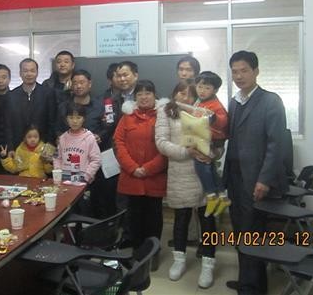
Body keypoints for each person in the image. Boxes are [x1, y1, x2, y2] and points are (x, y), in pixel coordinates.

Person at [224, 50, 288, 295]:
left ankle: (252, 288)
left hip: (256, 180)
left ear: (256, 71)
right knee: (241, 231)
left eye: (244, 70)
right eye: (235, 72)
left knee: (252, 234)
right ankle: (247, 281)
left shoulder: (271, 101)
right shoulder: (234, 101)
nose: (239, 76)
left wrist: (264, 179)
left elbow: (276, 145)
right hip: (235, 178)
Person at [155, 81, 217, 287]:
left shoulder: (204, 110)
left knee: (208, 219)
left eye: (190, 94)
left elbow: (219, 140)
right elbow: (161, 142)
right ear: (174, 94)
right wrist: (185, 152)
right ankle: (179, 260)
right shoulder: (166, 112)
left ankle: (208, 263)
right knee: (181, 219)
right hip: (180, 172)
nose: (185, 97)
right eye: (181, 93)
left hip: (204, 172)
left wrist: (212, 154)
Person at [114, 80, 167, 254]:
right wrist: (132, 167)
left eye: (148, 93)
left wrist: (148, 168)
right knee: (134, 217)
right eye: (140, 94)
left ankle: (152, 252)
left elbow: (167, 146)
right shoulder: (127, 117)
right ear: (135, 97)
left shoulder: (164, 116)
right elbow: (118, 143)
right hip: (132, 177)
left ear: (154, 95)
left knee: (154, 217)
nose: (144, 97)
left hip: (154, 177)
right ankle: (137, 252)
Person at [191, 71, 230, 217]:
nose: (202, 90)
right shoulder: (200, 101)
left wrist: (212, 117)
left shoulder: (214, 104)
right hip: (206, 138)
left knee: (201, 164)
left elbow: (223, 120)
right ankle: (222, 196)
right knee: (211, 168)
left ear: (215, 90)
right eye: (200, 86)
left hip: (212, 140)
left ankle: (211, 195)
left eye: (207, 88)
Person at [6, 58, 57, 157]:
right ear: (20, 73)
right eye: (25, 71)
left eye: (32, 71)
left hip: (42, 148)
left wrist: (50, 143)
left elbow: (52, 121)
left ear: (37, 73)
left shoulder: (48, 93)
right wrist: (10, 147)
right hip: (18, 147)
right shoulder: (11, 96)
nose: (29, 74)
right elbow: (8, 124)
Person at [54, 102, 101, 185]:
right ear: (66, 119)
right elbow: (57, 158)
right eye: (71, 118)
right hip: (64, 179)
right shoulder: (62, 138)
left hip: (82, 180)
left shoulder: (89, 138)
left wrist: (87, 176)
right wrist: (58, 173)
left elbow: (96, 160)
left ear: (84, 118)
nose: (74, 121)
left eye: (78, 118)